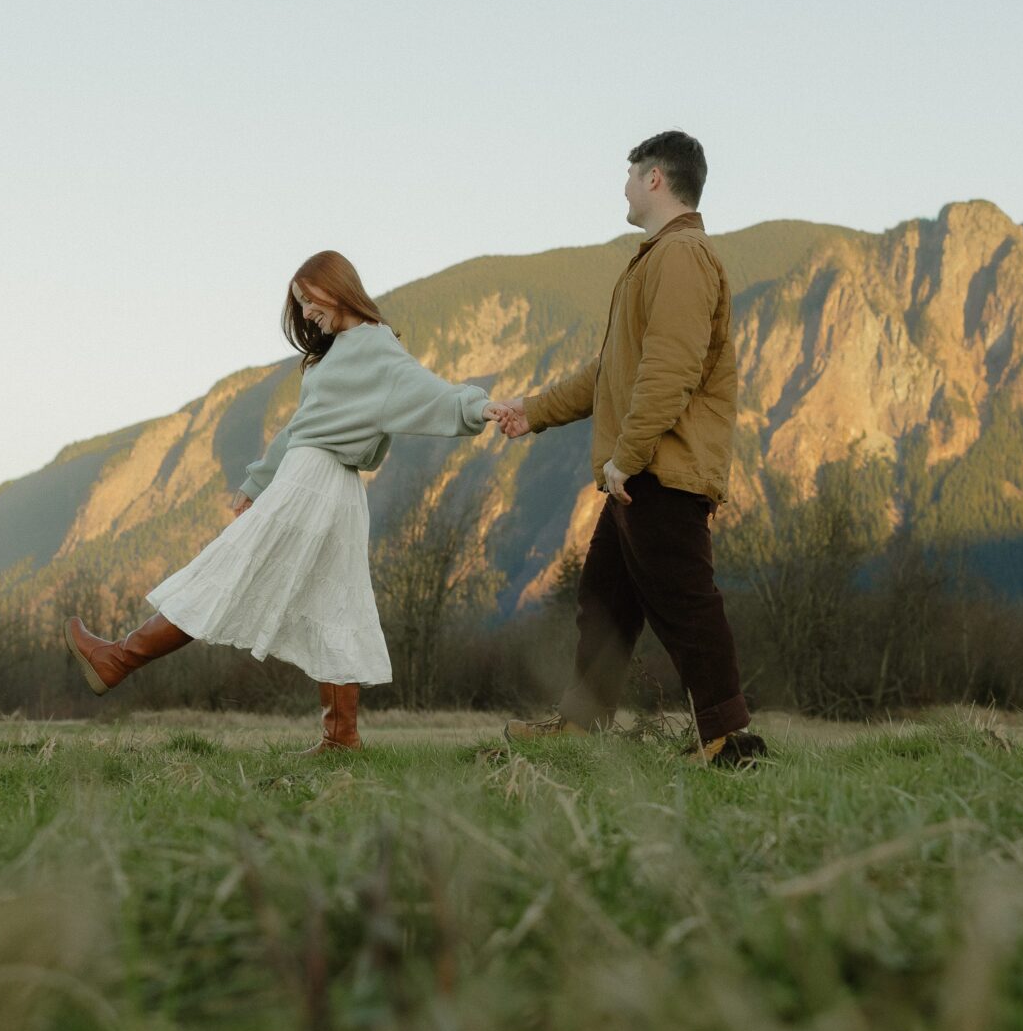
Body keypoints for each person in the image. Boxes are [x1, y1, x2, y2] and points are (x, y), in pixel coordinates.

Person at [65, 250, 493, 753]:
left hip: (315, 486)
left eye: (309, 299)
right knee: (335, 603)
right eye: (300, 304)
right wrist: (257, 482)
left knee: (227, 574)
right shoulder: (336, 354)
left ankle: (118, 658)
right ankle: (341, 740)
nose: (307, 313)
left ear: (337, 287)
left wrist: (481, 407)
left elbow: (432, 395)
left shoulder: (375, 347)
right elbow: (300, 427)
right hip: (323, 488)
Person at [489, 131, 765, 766]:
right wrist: (529, 413)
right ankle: (582, 727)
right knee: (605, 604)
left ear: (656, 180)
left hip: (657, 471)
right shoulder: (656, 261)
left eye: (630, 173)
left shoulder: (681, 257)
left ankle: (728, 740)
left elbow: (670, 372)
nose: (622, 185)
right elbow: (606, 374)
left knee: (687, 603)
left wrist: (627, 456)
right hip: (639, 474)